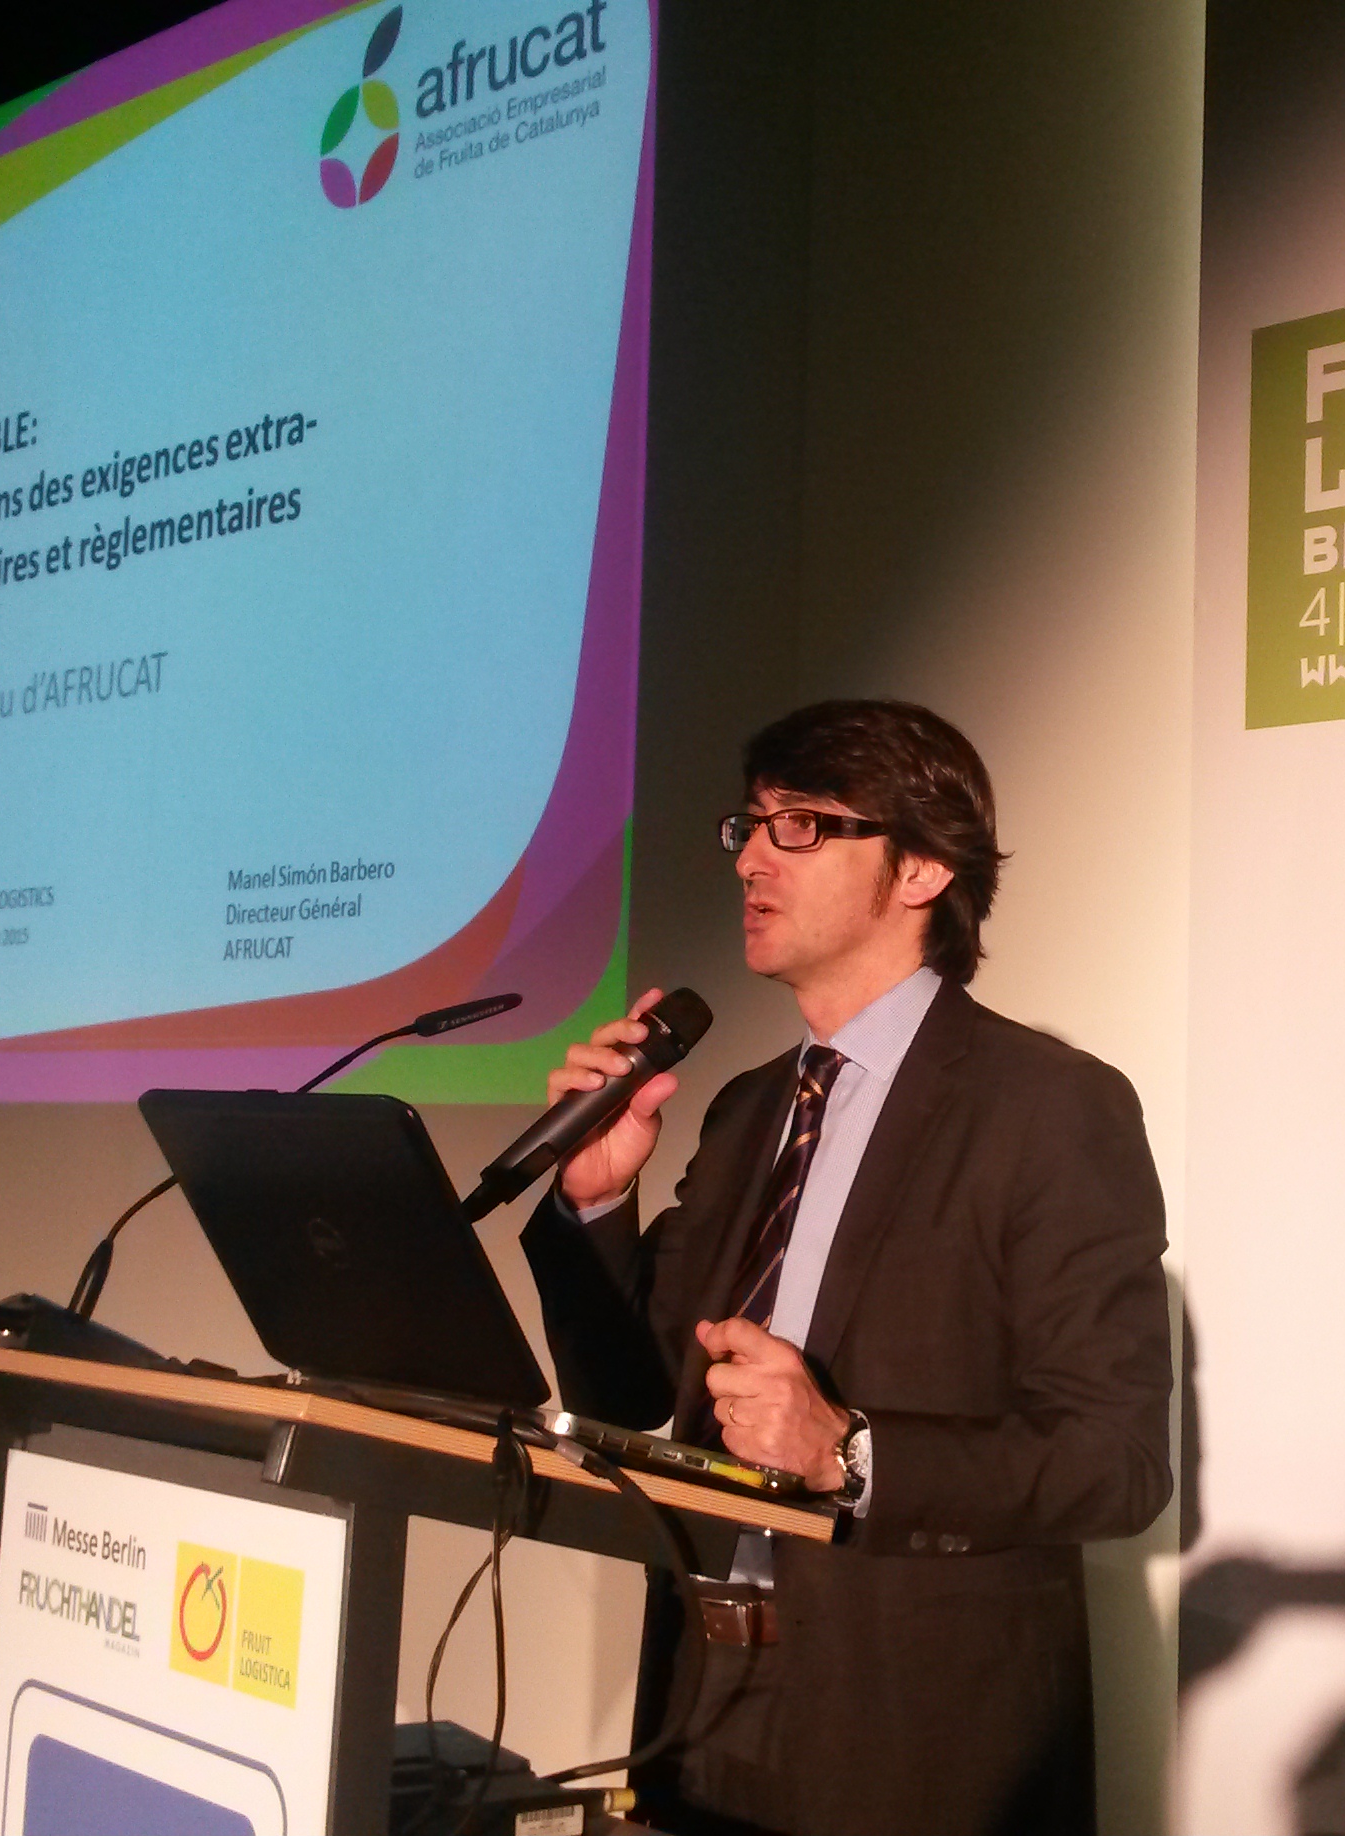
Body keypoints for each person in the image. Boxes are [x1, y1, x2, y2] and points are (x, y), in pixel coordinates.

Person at [516, 699, 1171, 1836]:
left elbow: (1116, 1462)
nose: (752, 859)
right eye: (750, 826)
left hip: (917, 1733)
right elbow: (627, 1395)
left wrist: (850, 1455)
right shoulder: (747, 1109)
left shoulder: (1049, 1107)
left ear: (922, 868)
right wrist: (596, 1199)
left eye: (804, 826)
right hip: (702, 1702)